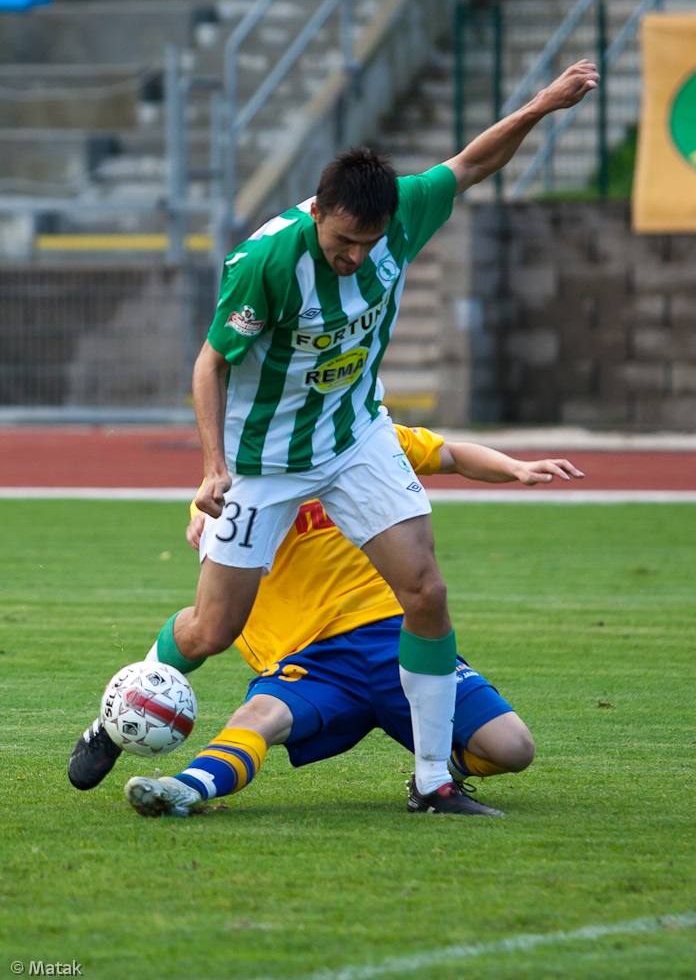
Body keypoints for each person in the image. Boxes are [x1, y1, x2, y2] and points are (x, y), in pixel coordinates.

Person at [69, 60, 599, 814]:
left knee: (426, 590)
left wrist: (545, 103)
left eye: (366, 243)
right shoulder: (265, 260)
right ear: (318, 210)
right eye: (343, 241)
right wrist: (214, 468)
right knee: (214, 627)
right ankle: (112, 720)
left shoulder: (404, 213)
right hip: (265, 462)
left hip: (356, 438)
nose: (353, 255)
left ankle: (432, 780)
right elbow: (210, 363)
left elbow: (475, 160)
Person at [70, 424, 583, 815]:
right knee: (249, 704)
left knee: (513, 749)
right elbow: (211, 515)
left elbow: (449, 454)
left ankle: (433, 775)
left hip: (393, 639)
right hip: (312, 659)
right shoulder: (255, 474)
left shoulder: (365, 440)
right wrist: (205, 521)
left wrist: (514, 467)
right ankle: (177, 786)